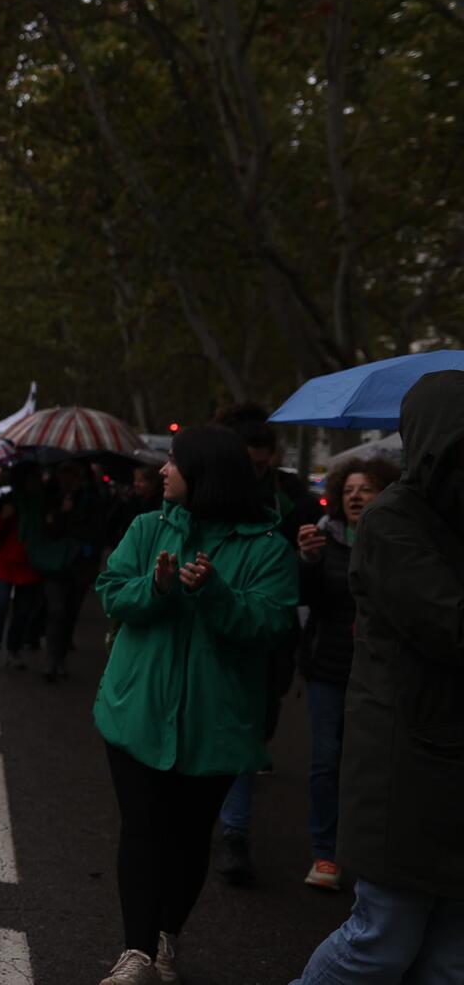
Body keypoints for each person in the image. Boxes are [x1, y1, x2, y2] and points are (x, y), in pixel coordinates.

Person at [90, 425, 298, 985]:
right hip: (135, 711)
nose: (161, 470)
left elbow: (272, 624)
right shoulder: (146, 527)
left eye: (173, 462)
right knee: (141, 827)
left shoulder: (268, 548)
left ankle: (164, 940)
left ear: (203, 474)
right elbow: (110, 591)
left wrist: (215, 593)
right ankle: (134, 955)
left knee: (187, 838)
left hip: (216, 723)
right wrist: (155, 590)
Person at [291, 371, 464, 985]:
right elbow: (450, 624)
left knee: (449, 959)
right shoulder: (395, 522)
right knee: (380, 942)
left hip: (448, 761)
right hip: (405, 763)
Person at [291, 456, 399, 893]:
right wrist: (308, 561)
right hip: (327, 668)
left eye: (366, 489)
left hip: (380, 673)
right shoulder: (322, 538)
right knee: (324, 760)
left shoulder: (396, 542)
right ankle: (326, 853)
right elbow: (306, 599)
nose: (355, 496)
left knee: (372, 764)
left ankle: (368, 854)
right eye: (349, 489)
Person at [211, 403, 309, 886]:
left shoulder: (289, 496)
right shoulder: (205, 496)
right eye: (251, 460)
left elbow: (308, 565)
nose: (259, 468)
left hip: (270, 629)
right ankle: (234, 834)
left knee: (258, 719)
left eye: (264, 459)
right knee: (239, 731)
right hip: (219, 637)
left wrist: (308, 555)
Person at [29, 459, 111, 682]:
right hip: (55, 565)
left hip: (80, 567)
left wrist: (72, 514)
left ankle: (61, 657)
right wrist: (61, 514)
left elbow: (97, 530)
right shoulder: (50, 498)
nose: (65, 483)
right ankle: (51, 660)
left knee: (70, 612)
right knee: (56, 610)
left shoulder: (92, 499)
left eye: (70, 479)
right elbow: (47, 530)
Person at [0, 469, 45, 670]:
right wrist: (4, 517)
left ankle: (13, 650)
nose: (37, 482)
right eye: (33, 478)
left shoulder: (42, 503)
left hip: (29, 565)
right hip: (4, 563)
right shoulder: (7, 501)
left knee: (22, 612)